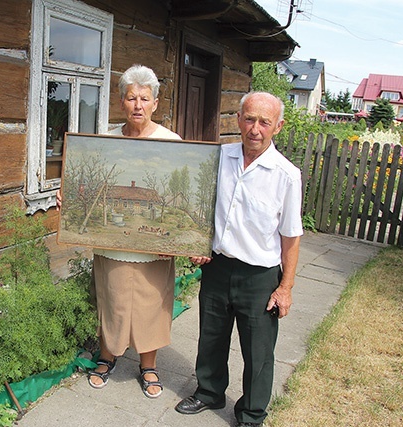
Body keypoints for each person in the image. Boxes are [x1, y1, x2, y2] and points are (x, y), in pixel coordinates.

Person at [175, 91, 303, 427]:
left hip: (259, 277)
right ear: (238, 120)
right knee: (212, 336)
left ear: (278, 126)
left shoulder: (286, 175)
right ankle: (209, 392)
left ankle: (251, 413)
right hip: (217, 266)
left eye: (264, 122)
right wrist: (196, 241)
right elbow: (199, 204)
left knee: (258, 351)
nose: (255, 129)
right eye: (249, 119)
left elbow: (291, 236)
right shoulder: (219, 157)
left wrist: (285, 287)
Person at [58, 64, 181, 398]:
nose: (137, 105)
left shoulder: (173, 143)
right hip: (111, 246)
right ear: (121, 102)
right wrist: (68, 196)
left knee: (151, 306)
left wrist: (179, 241)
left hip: (153, 250)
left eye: (144, 98)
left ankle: (149, 366)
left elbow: (174, 197)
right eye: (131, 98)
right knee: (110, 301)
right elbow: (89, 184)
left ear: (155, 102)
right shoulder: (105, 142)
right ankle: (106, 358)